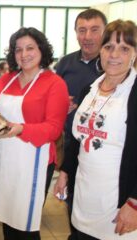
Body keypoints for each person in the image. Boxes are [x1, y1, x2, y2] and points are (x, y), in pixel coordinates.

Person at [0, 27, 69, 239]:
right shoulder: (8, 79)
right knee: (8, 218)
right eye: (18, 49)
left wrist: (22, 128)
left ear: (42, 50)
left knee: (25, 226)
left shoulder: (54, 83)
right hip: (6, 157)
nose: (24, 54)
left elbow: (53, 128)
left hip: (33, 162)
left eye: (30, 48)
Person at [54, 19, 137, 240]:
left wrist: (134, 203)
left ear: (134, 54)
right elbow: (78, 138)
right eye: (108, 47)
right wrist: (65, 172)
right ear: (101, 50)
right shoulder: (89, 90)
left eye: (124, 48)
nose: (114, 55)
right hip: (84, 193)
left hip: (119, 200)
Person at [54, 9, 107, 240]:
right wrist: (59, 105)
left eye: (94, 30)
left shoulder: (111, 63)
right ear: (75, 33)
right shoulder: (65, 62)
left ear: (104, 33)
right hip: (69, 141)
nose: (88, 36)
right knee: (73, 194)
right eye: (82, 30)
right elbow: (53, 96)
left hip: (101, 148)